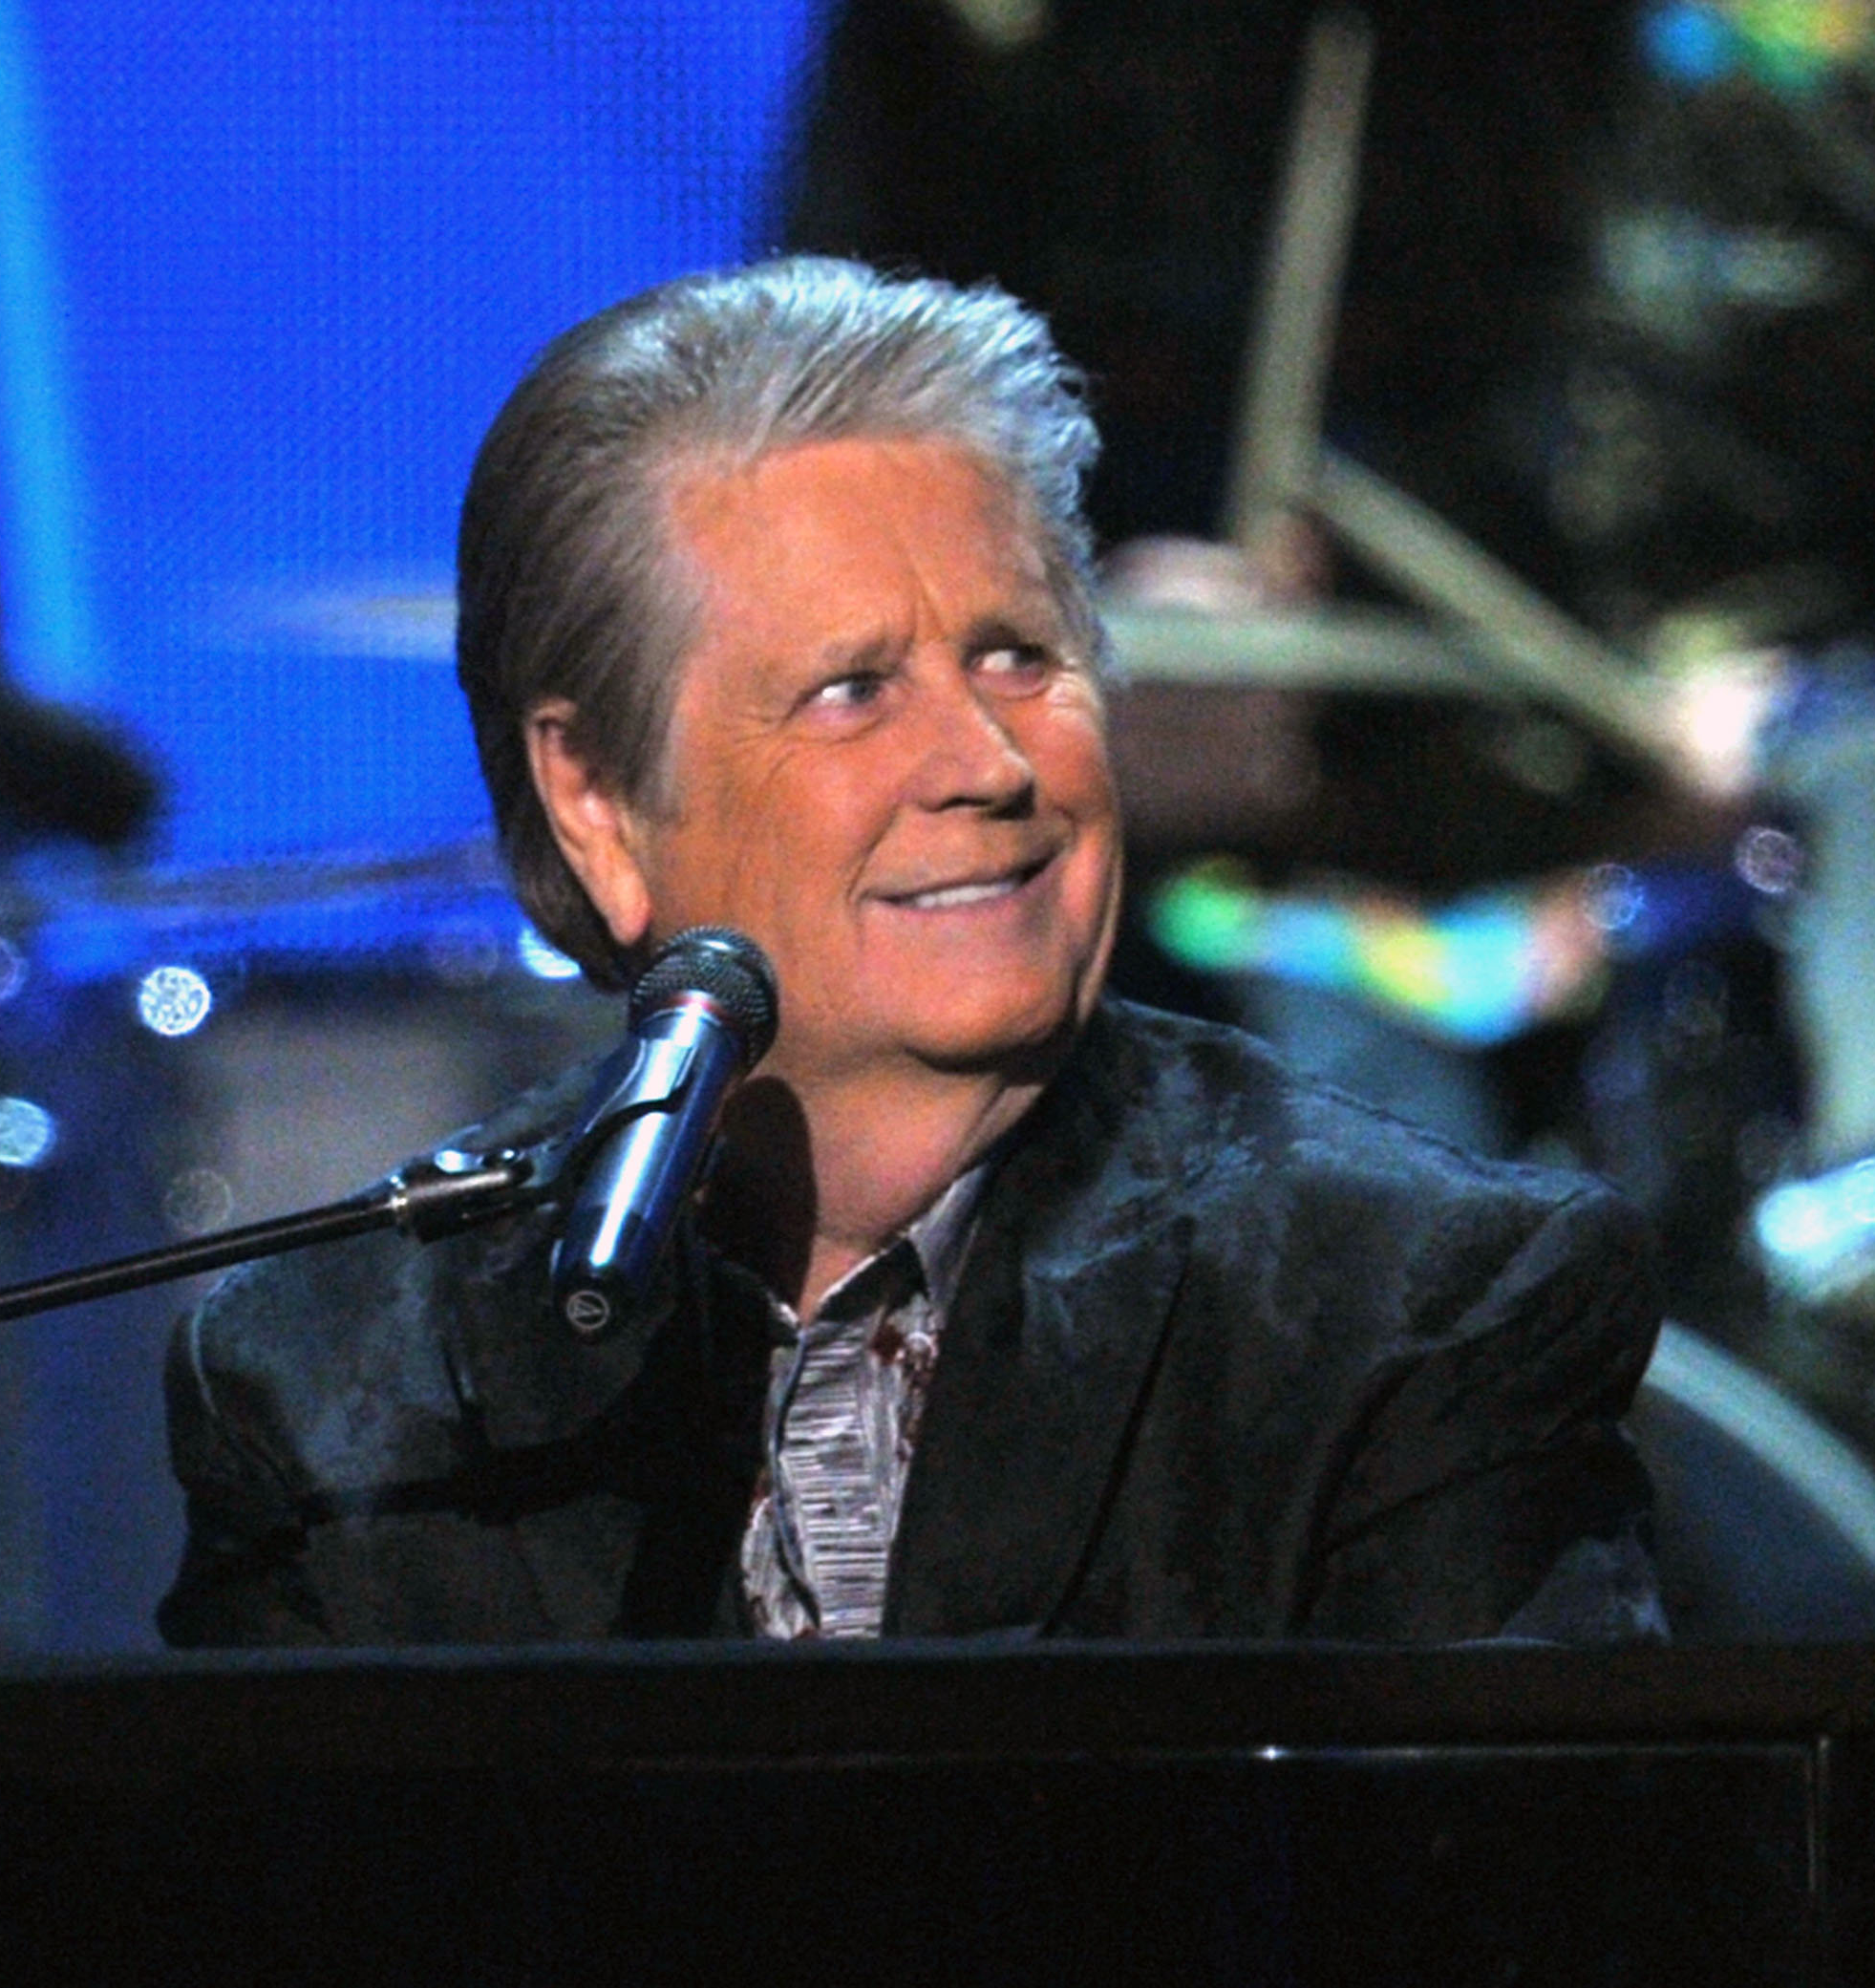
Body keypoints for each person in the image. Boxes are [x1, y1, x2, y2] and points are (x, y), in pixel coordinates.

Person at [158, 258, 1665, 1646]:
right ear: (599, 804)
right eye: (852, 689)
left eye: (1020, 655)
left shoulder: (1414, 1308)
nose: (991, 761)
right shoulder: (332, 1386)